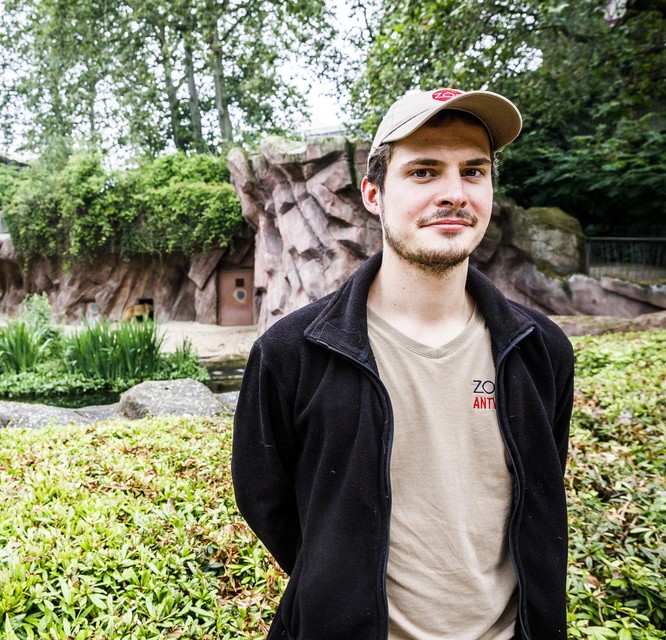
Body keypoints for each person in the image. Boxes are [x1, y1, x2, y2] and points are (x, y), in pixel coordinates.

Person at [232, 88, 574, 639]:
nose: (454, 193)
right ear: (373, 194)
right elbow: (267, 500)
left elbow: (540, 493)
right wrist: (338, 582)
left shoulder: (541, 351)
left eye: (474, 171)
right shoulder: (291, 354)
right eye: (423, 172)